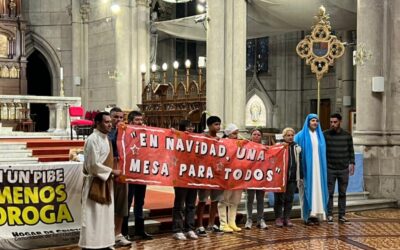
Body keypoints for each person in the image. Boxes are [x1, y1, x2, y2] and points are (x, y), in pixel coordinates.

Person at [79, 112, 121, 249]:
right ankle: (91, 244)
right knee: (94, 215)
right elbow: (92, 165)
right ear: (97, 123)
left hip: (105, 181)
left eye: (110, 121)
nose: (110, 124)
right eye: (107, 122)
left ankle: (106, 242)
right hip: (95, 182)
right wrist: (111, 171)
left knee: (106, 214)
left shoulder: (106, 138)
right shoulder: (93, 139)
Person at [121, 111, 153, 240]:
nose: (140, 122)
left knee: (140, 202)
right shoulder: (125, 133)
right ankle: (124, 232)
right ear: (130, 121)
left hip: (141, 173)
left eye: (141, 119)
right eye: (137, 120)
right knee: (127, 203)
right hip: (129, 172)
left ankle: (140, 230)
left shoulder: (145, 133)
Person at [294, 114, 329, 225]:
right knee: (307, 192)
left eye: (317, 121)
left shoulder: (320, 136)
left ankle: (316, 213)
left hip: (319, 169)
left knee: (318, 189)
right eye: (313, 120)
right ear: (308, 122)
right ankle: (307, 216)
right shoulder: (300, 135)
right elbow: (295, 151)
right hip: (307, 169)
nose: (315, 123)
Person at [323, 113, 355, 224]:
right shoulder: (325, 135)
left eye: (335, 122)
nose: (333, 124)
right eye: (331, 122)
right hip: (330, 168)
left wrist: (352, 163)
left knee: (342, 193)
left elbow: (351, 150)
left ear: (340, 122)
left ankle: (342, 215)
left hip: (343, 169)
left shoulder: (347, 135)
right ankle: (329, 215)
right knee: (329, 193)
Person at [196, 116, 224, 236]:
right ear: (209, 125)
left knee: (215, 201)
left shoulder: (220, 140)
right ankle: (199, 225)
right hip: (205, 174)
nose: (218, 127)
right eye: (216, 124)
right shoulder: (201, 138)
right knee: (202, 201)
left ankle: (211, 224)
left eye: (219, 124)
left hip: (217, 174)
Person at [172, 120, 199, 240]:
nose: (190, 128)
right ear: (182, 127)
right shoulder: (177, 139)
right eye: (188, 126)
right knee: (179, 204)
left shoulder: (197, 140)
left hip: (193, 175)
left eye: (192, 126)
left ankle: (190, 228)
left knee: (191, 204)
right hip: (181, 176)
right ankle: (177, 229)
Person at [108, 107, 131, 246]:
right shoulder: (106, 133)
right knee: (109, 204)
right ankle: (107, 234)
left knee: (122, 205)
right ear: (110, 118)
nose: (119, 120)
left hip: (123, 171)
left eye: (121, 118)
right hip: (109, 171)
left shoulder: (127, 133)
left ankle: (118, 234)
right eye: (116, 117)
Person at [274, 127, 302, 227]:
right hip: (280, 177)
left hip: (292, 177)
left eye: (292, 135)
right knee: (279, 199)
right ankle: (278, 218)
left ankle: (287, 218)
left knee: (289, 198)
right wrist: (281, 147)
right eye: (288, 135)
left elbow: (299, 162)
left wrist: (300, 176)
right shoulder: (278, 146)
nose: (290, 137)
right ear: (284, 136)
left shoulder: (297, 147)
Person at [217, 123, 243, 233]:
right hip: (226, 175)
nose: (236, 135)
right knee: (224, 200)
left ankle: (232, 222)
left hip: (237, 175)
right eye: (234, 133)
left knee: (235, 200)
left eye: (237, 133)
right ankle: (223, 223)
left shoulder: (240, 143)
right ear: (228, 134)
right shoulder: (222, 143)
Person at [245, 128, 268, 229]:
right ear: (251, 135)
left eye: (258, 135)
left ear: (261, 137)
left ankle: (260, 219)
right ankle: (249, 219)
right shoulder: (246, 147)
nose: (256, 136)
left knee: (260, 199)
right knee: (249, 198)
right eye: (254, 134)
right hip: (250, 176)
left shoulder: (265, 148)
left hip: (261, 176)